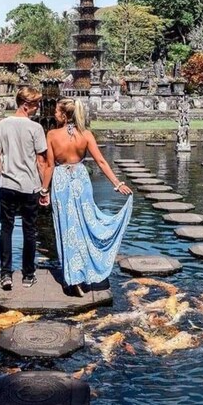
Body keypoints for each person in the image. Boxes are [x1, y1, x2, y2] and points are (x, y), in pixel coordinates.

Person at [40, 98, 133, 296]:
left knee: (66, 228)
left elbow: (49, 165)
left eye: (57, 111)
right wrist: (117, 183)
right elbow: (100, 161)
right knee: (84, 226)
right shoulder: (86, 134)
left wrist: (43, 191)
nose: (54, 114)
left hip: (61, 181)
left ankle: (73, 278)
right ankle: (84, 273)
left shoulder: (52, 134)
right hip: (81, 179)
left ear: (64, 115)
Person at [0, 86, 47, 291]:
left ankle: (5, 274)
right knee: (29, 231)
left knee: (6, 229)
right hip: (29, 186)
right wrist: (44, 189)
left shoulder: (3, 124)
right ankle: (28, 275)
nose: (38, 108)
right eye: (35, 104)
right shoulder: (35, 128)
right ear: (26, 105)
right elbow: (41, 162)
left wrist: (4, 175)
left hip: (7, 185)